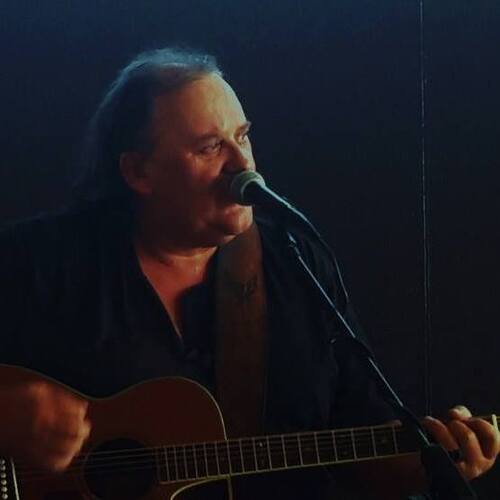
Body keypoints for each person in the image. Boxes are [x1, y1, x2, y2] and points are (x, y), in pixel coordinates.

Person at [0, 47, 498, 499]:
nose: (243, 165)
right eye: (209, 148)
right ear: (138, 172)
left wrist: (429, 464)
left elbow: (363, 445)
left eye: (242, 137)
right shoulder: (40, 264)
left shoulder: (297, 265)